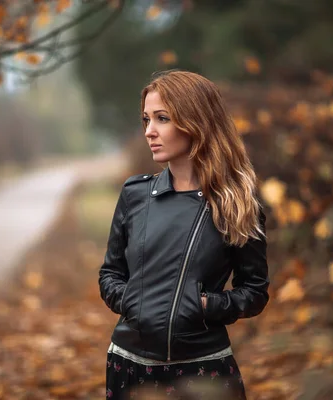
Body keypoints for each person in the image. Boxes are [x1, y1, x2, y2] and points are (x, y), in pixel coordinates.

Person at [98, 70, 269, 400]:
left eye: (162, 119)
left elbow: (255, 291)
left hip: (204, 368)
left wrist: (205, 305)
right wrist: (133, 300)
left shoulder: (237, 203)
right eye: (146, 119)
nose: (149, 131)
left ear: (196, 122)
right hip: (130, 365)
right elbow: (110, 274)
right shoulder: (135, 195)